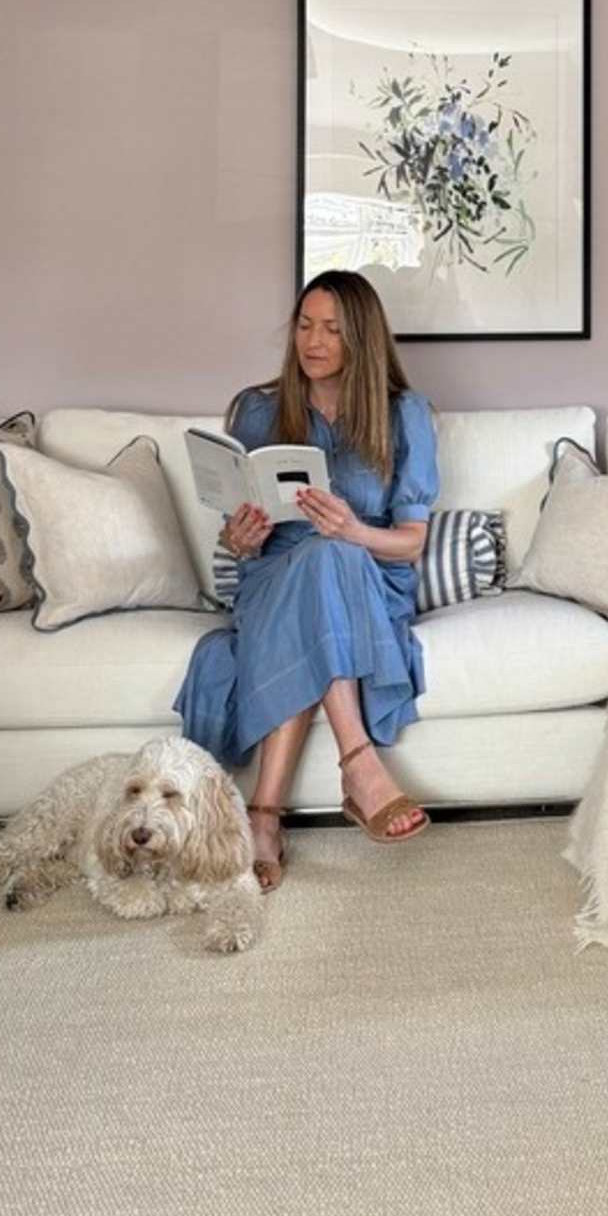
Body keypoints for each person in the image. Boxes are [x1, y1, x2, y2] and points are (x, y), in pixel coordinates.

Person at [175, 270, 438, 889]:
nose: (313, 342)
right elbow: (236, 533)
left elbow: (411, 542)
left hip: (365, 577)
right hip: (273, 576)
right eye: (304, 325)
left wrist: (353, 531)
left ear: (362, 339)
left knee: (329, 558)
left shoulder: (405, 414)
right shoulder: (257, 409)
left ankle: (264, 817)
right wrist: (240, 538)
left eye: (332, 330)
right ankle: (360, 768)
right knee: (314, 568)